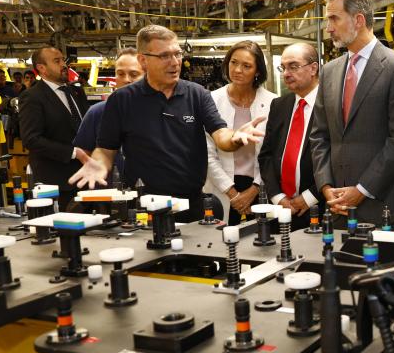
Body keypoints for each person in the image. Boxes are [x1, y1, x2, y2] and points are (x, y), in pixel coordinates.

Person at [68, 25, 264, 222]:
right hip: (144, 208)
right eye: (164, 56)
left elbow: (221, 135)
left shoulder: (197, 94)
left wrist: (235, 138)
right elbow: (106, 149)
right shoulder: (122, 100)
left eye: (177, 54)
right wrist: (100, 164)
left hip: (191, 205)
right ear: (143, 60)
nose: (175, 62)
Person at [308, 0, 394, 224]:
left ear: (358, 20)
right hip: (337, 206)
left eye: (334, 19)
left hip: (382, 204)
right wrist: (326, 186)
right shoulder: (329, 71)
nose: (328, 28)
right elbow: (319, 135)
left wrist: (362, 190)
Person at [203, 41, 277, 225]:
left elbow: (274, 154)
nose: (237, 70)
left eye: (246, 66)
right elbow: (207, 153)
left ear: (257, 71)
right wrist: (233, 194)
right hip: (222, 187)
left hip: (259, 187)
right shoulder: (211, 100)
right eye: (234, 62)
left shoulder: (273, 103)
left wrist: (254, 190)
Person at [19, 46, 91, 209]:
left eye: (63, 60)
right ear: (42, 68)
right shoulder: (32, 97)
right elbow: (31, 139)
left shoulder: (76, 92)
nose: (64, 65)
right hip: (57, 182)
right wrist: (74, 153)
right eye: (57, 61)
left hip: (86, 177)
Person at [259, 43, 321, 230]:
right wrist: (277, 196)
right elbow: (266, 155)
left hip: (318, 208)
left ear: (313, 68)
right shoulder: (279, 105)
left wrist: (309, 197)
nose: (286, 73)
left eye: (293, 66)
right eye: (283, 67)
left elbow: (337, 159)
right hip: (280, 209)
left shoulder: (330, 104)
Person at [73, 48, 143, 177]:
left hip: (149, 192)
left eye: (134, 74)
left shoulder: (157, 111)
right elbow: (84, 150)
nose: (127, 79)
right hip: (108, 190)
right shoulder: (97, 112)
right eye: (120, 74)